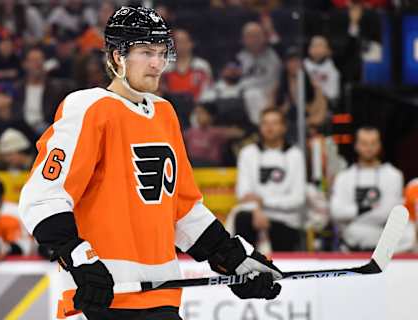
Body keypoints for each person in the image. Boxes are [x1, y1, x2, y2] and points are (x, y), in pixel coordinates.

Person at [19, 7, 282, 320]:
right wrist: (80, 259)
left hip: (162, 296)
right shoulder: (89, 108)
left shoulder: (164, 113)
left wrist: (232, 255)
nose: (158, 64)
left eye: (161, 53)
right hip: (101, 299)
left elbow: (182, 208)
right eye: (146, 53)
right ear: (118, 57)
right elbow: (43, 197)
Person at [232, 108, 306, 252]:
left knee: (285, 232)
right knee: (242, 218)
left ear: (284, 127)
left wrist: (263, 202)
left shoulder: (295, 155)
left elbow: (298, 199)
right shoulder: (248, 153)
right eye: (265, 123)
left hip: (285, 220)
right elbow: (243, 193)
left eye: (274, 123)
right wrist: (257, 210)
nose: (269, 128)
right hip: (253, 215)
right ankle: (244, 269)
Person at [330, 126, 414, 251]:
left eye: (373, 143)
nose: (368, 148)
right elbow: (336, 212)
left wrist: (352, 216)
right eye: (364, 143)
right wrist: (369, 210)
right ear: (356, 145)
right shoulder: (344, 177)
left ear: (379, 145)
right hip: (349, 247)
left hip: (384, 248)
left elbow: (388, 213)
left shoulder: (393, 176)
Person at [184, 102, 244, 166]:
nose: (198, 116)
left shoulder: (218, 132)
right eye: (196, 113)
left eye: (201, 113)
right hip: (192, 165)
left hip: (211, 166)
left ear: (211, 116)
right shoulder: (190, 132)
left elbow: (240, 133)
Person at [304, 35, 340, 102]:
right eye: (314, 45)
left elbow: (333, 95)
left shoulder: (333, 65)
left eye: (320, 45)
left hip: (327, 103)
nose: (317, 49)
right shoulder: (303, 65)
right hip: (306, 103)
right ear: (309, 49)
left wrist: (318, 90)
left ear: (327, 50)